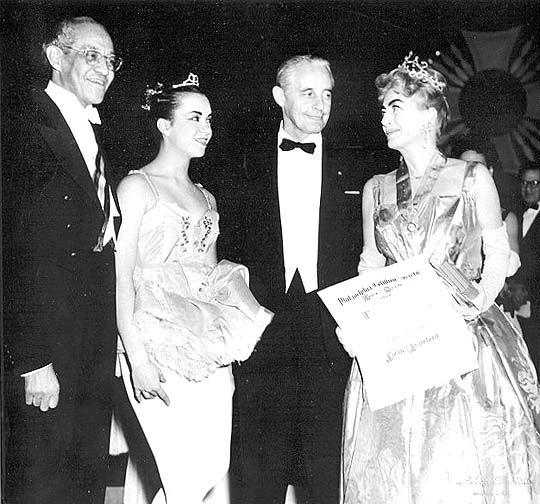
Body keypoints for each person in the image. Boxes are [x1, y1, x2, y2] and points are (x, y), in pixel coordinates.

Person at [338, 53, 540, 503]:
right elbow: (371, 265)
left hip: (461, 340)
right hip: (395, 343)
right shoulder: (376, 188)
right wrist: (357, 322)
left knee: (452, 466)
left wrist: (473, 307)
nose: (384, 118)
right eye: (383, 109)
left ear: (430, 115)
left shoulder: (471, 176)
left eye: (395, 107)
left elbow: (497, 252)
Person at [115, 75, 272, 504]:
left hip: (204, 345)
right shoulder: (136, 188)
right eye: (195, 117)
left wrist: (228, 333)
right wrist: (137, 357)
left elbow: (208, 277)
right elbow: (122, 277)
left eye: (210, 118)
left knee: (213, 467)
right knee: (183, 472)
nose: (207, 128)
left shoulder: (207, 197)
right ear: (165, 125)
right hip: (153, 340)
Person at [229, 55, 364, 504]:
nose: (320, 104)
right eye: (307, 93)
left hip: (332, 332)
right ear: (278, 97)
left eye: (327, 93)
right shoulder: (242, 161)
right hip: (264, 328)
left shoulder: (358, 164)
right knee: (258, 467)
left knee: (330, 468)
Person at [3, 16, 121, 503]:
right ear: (55, 56)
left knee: (85, 482)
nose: (105, 69)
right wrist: (31, 360)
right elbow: (11, 250)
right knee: (42, 483)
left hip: (91, 344)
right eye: (91, 55)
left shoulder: (96, 132)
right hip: (48, 345)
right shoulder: (21, 126)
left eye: (110, 60)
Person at [510, 161, 540, 373]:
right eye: (524, 183)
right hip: (511, 304)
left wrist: (527, 292)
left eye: (534, 183)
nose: (528, 189)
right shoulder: (511, 215)